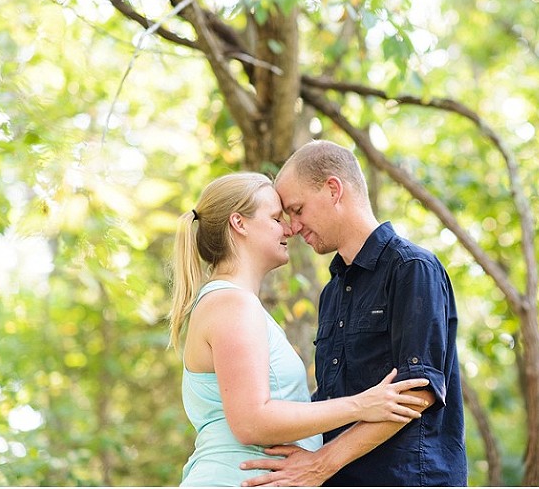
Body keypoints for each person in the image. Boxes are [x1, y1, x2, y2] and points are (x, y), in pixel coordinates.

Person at [168, 172, 431, 487]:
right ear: (239, 223)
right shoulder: (232, 304)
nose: (290, 229)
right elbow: (251, 422)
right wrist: (362, 404)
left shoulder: (230, 302)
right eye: (276, 218)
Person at [240, 141, 468, 486]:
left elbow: (417, 391)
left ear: (333, 189)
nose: (293, 226)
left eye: (298, 209)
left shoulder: (411, 268)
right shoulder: (332, 292)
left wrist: (320, 464)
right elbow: (333, 399)